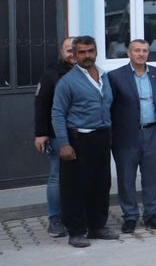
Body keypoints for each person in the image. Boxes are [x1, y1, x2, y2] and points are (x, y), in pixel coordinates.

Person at [50, 36, 116, 247]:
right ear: (75, 55)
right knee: (75, 188)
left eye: (90, 51)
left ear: (96, 52)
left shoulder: (104, 76)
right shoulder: (67, 82)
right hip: (78, 140)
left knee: (101, 184)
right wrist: (64, 144)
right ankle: (76, 231)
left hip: (101, 137)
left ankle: (97, 226)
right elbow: (57, 113)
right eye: (82, 52)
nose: (87, 55)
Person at [106, 39, 156, 232]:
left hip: (152, 133)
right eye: (137, 50)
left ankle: (151, 215)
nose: (141, 54)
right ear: (129, 53)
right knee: (126, 178)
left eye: (144, 51)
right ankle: (130, 216)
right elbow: (108, 107)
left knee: (152, 177)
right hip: (126, 136)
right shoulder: (115, 77)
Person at [33, 36, 75, 237]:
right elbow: (41, 104)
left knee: (79, 176)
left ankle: (75, 215)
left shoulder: (88, 71)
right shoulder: (51, 74)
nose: (73, 53)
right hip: (58, 134)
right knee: (57, 177)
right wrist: (41, 133)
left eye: (76, 49)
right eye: (69, 49)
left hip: (82, 133)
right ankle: (55, 219)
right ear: (61, 52)